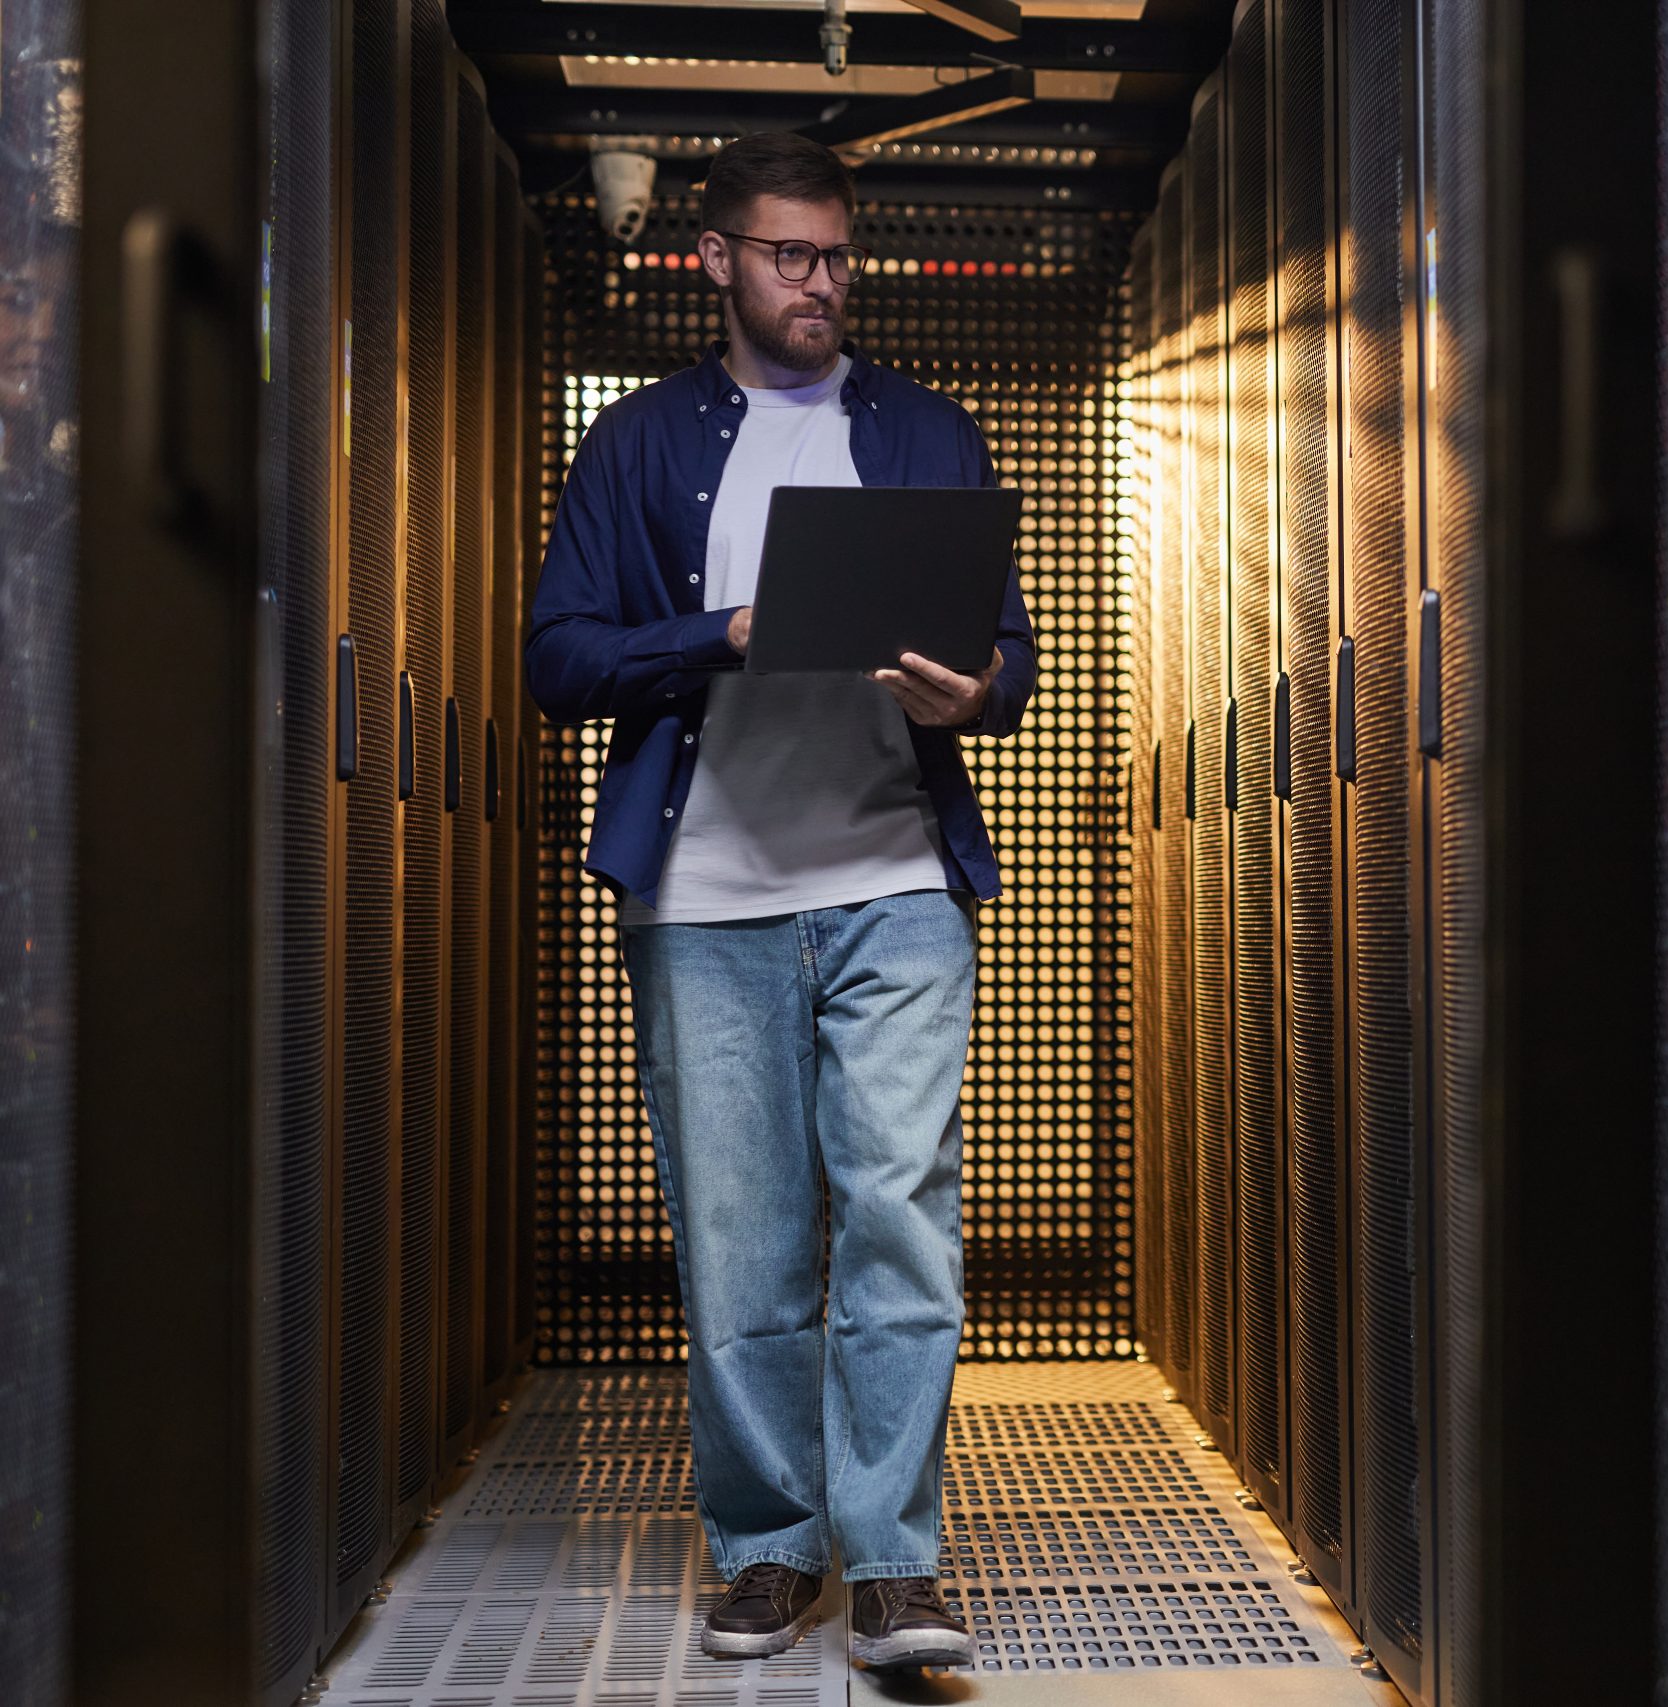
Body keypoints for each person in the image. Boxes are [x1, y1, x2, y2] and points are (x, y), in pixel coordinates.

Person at [522, 130, 1037, 1670]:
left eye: (835, 258)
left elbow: (1006, 657)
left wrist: (972, 694)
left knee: (899, 1220)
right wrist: (722, 632)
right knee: (740, 1237)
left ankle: (890, 1562)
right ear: (718, 261)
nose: (820, 285)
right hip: (711, 894)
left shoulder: (932, 434)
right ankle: (763, 1548)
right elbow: (562, 658)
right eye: (789, 257)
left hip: (893, 882)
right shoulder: (636, 447)